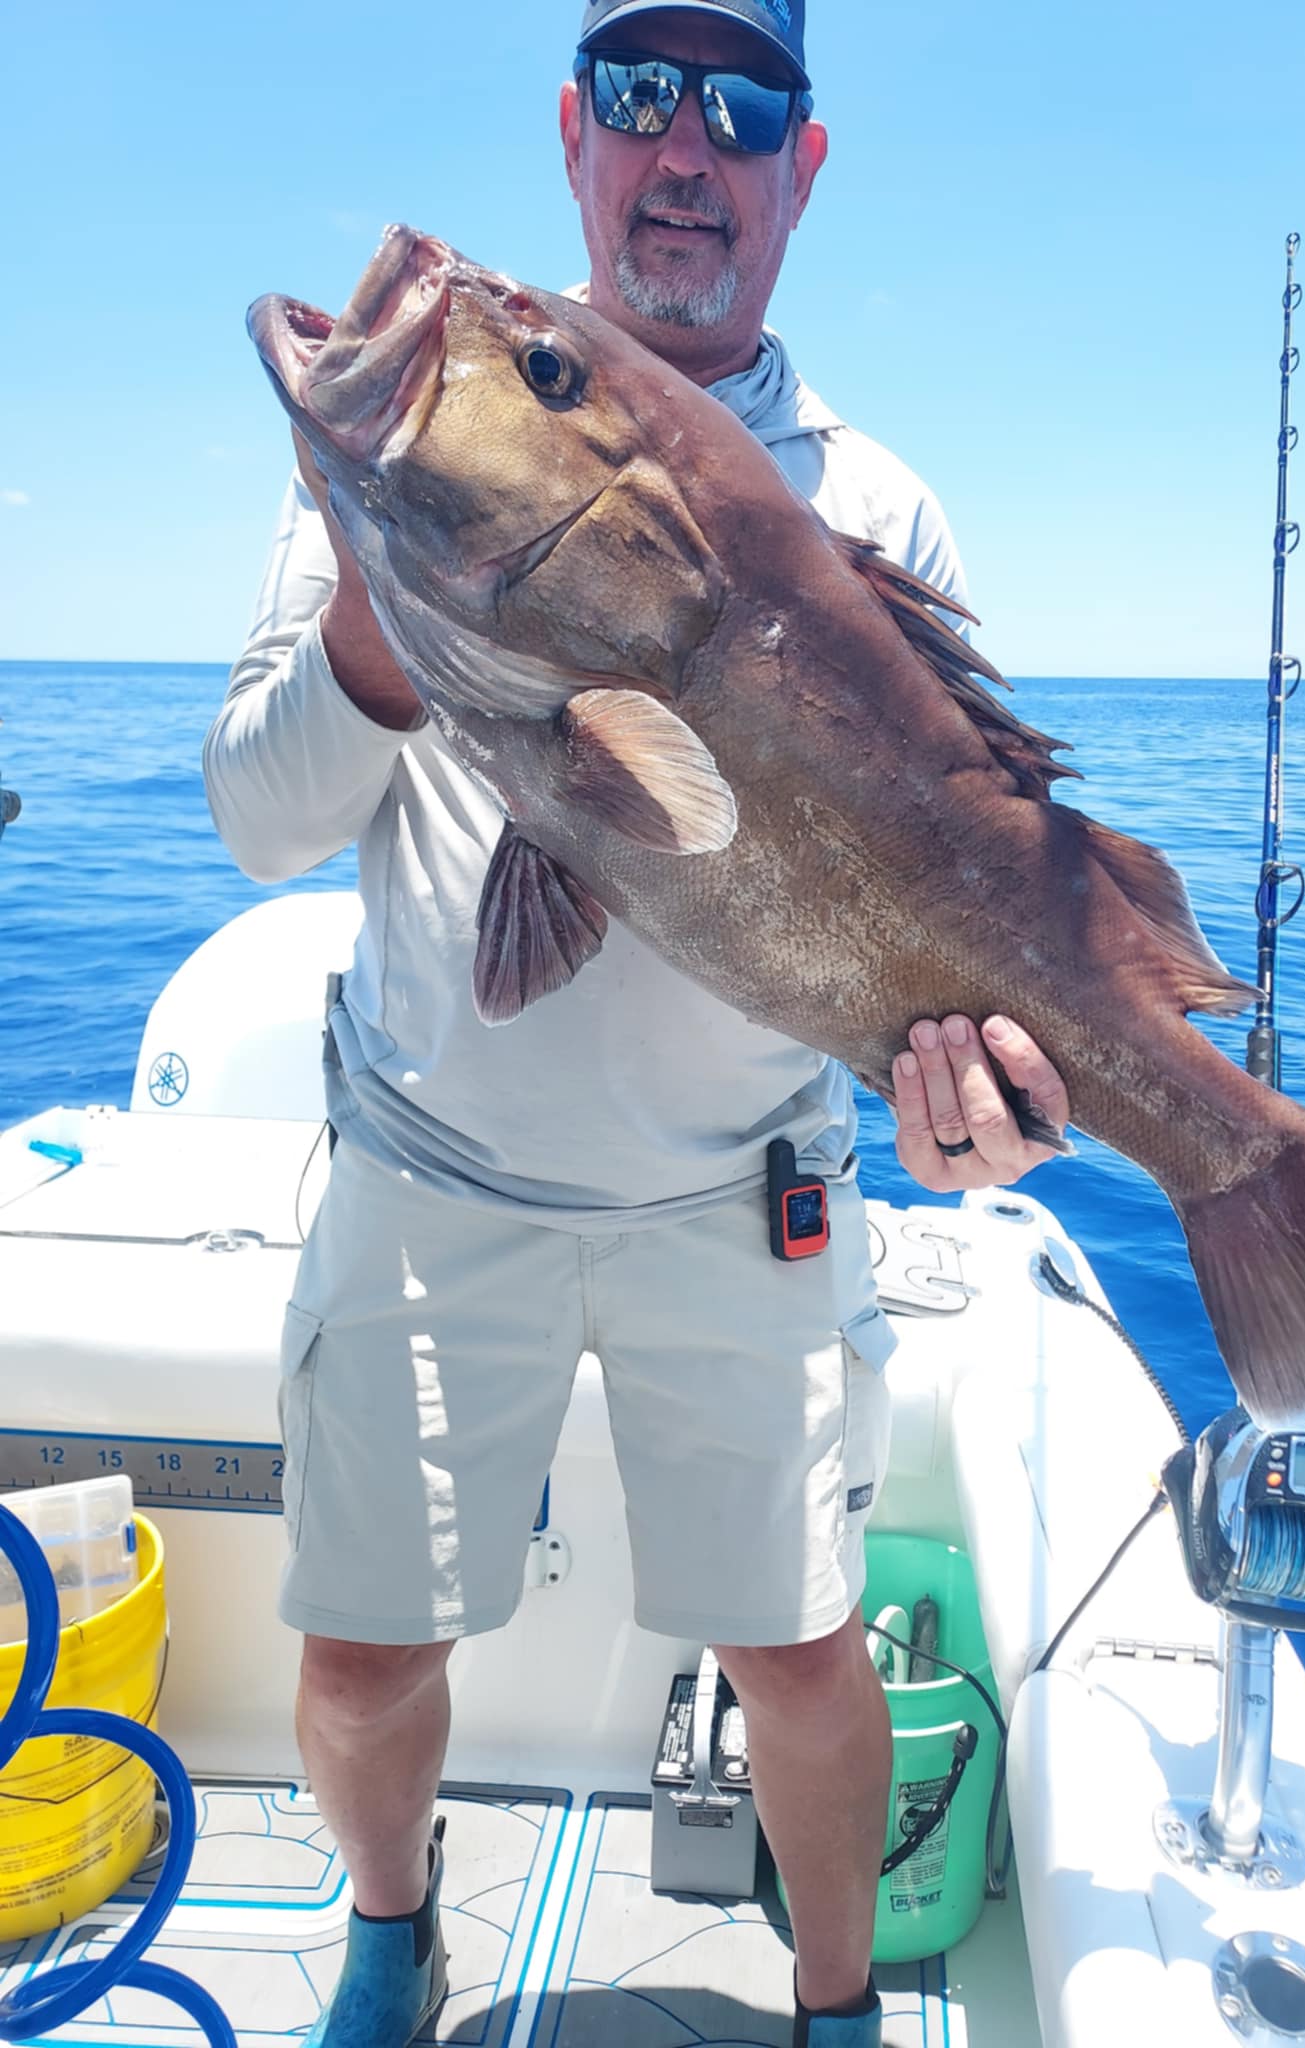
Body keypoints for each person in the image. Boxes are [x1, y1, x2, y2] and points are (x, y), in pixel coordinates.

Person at [206, 4, 1069, 2043]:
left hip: (742, 1199)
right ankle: (392, 1938)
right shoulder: (405, 451)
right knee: (352, 1656)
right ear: (577, 139)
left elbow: (960, 889)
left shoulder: (880, 509)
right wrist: (379, 608)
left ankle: (840, 2001)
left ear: (803, 163)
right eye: (641, 95)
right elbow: (258, 817)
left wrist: (983, 1110)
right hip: (430, 1180)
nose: (691, 145)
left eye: (743, 104)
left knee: (802, 1656)